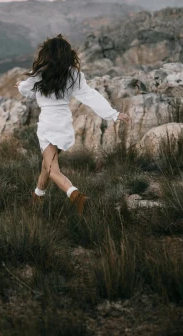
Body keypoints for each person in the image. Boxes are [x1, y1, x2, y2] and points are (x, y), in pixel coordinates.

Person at [15, 34, 130, 214]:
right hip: (64, 126)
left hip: (47, 126)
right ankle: (37, 197)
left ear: (47, 54)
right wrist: (113, 114)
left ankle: (77, 196)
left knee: (53, 170)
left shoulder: (40, 74)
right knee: (48, 164)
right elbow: (91, 96)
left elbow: (26, 90)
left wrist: (20, 84)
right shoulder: (74, 75)